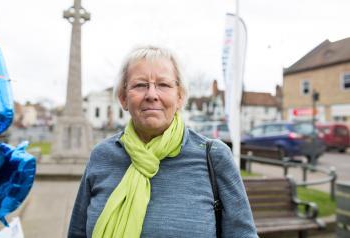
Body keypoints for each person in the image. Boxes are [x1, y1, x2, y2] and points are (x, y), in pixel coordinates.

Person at [68, 45, 258, 238]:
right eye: (140, 85)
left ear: (180, 97)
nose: (152, 94)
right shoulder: (102, 156)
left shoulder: (213, 156)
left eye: (164, 85)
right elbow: (77, 233)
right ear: (123, 98)